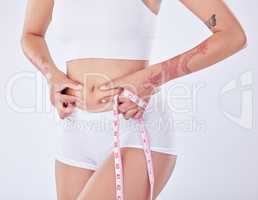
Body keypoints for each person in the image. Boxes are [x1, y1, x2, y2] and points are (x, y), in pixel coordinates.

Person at [21, 0, 247, 199]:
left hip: (134, 128)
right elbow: (31, 34)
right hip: (74, 128)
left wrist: (153, 77)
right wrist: (51, 74)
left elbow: (232, 35)